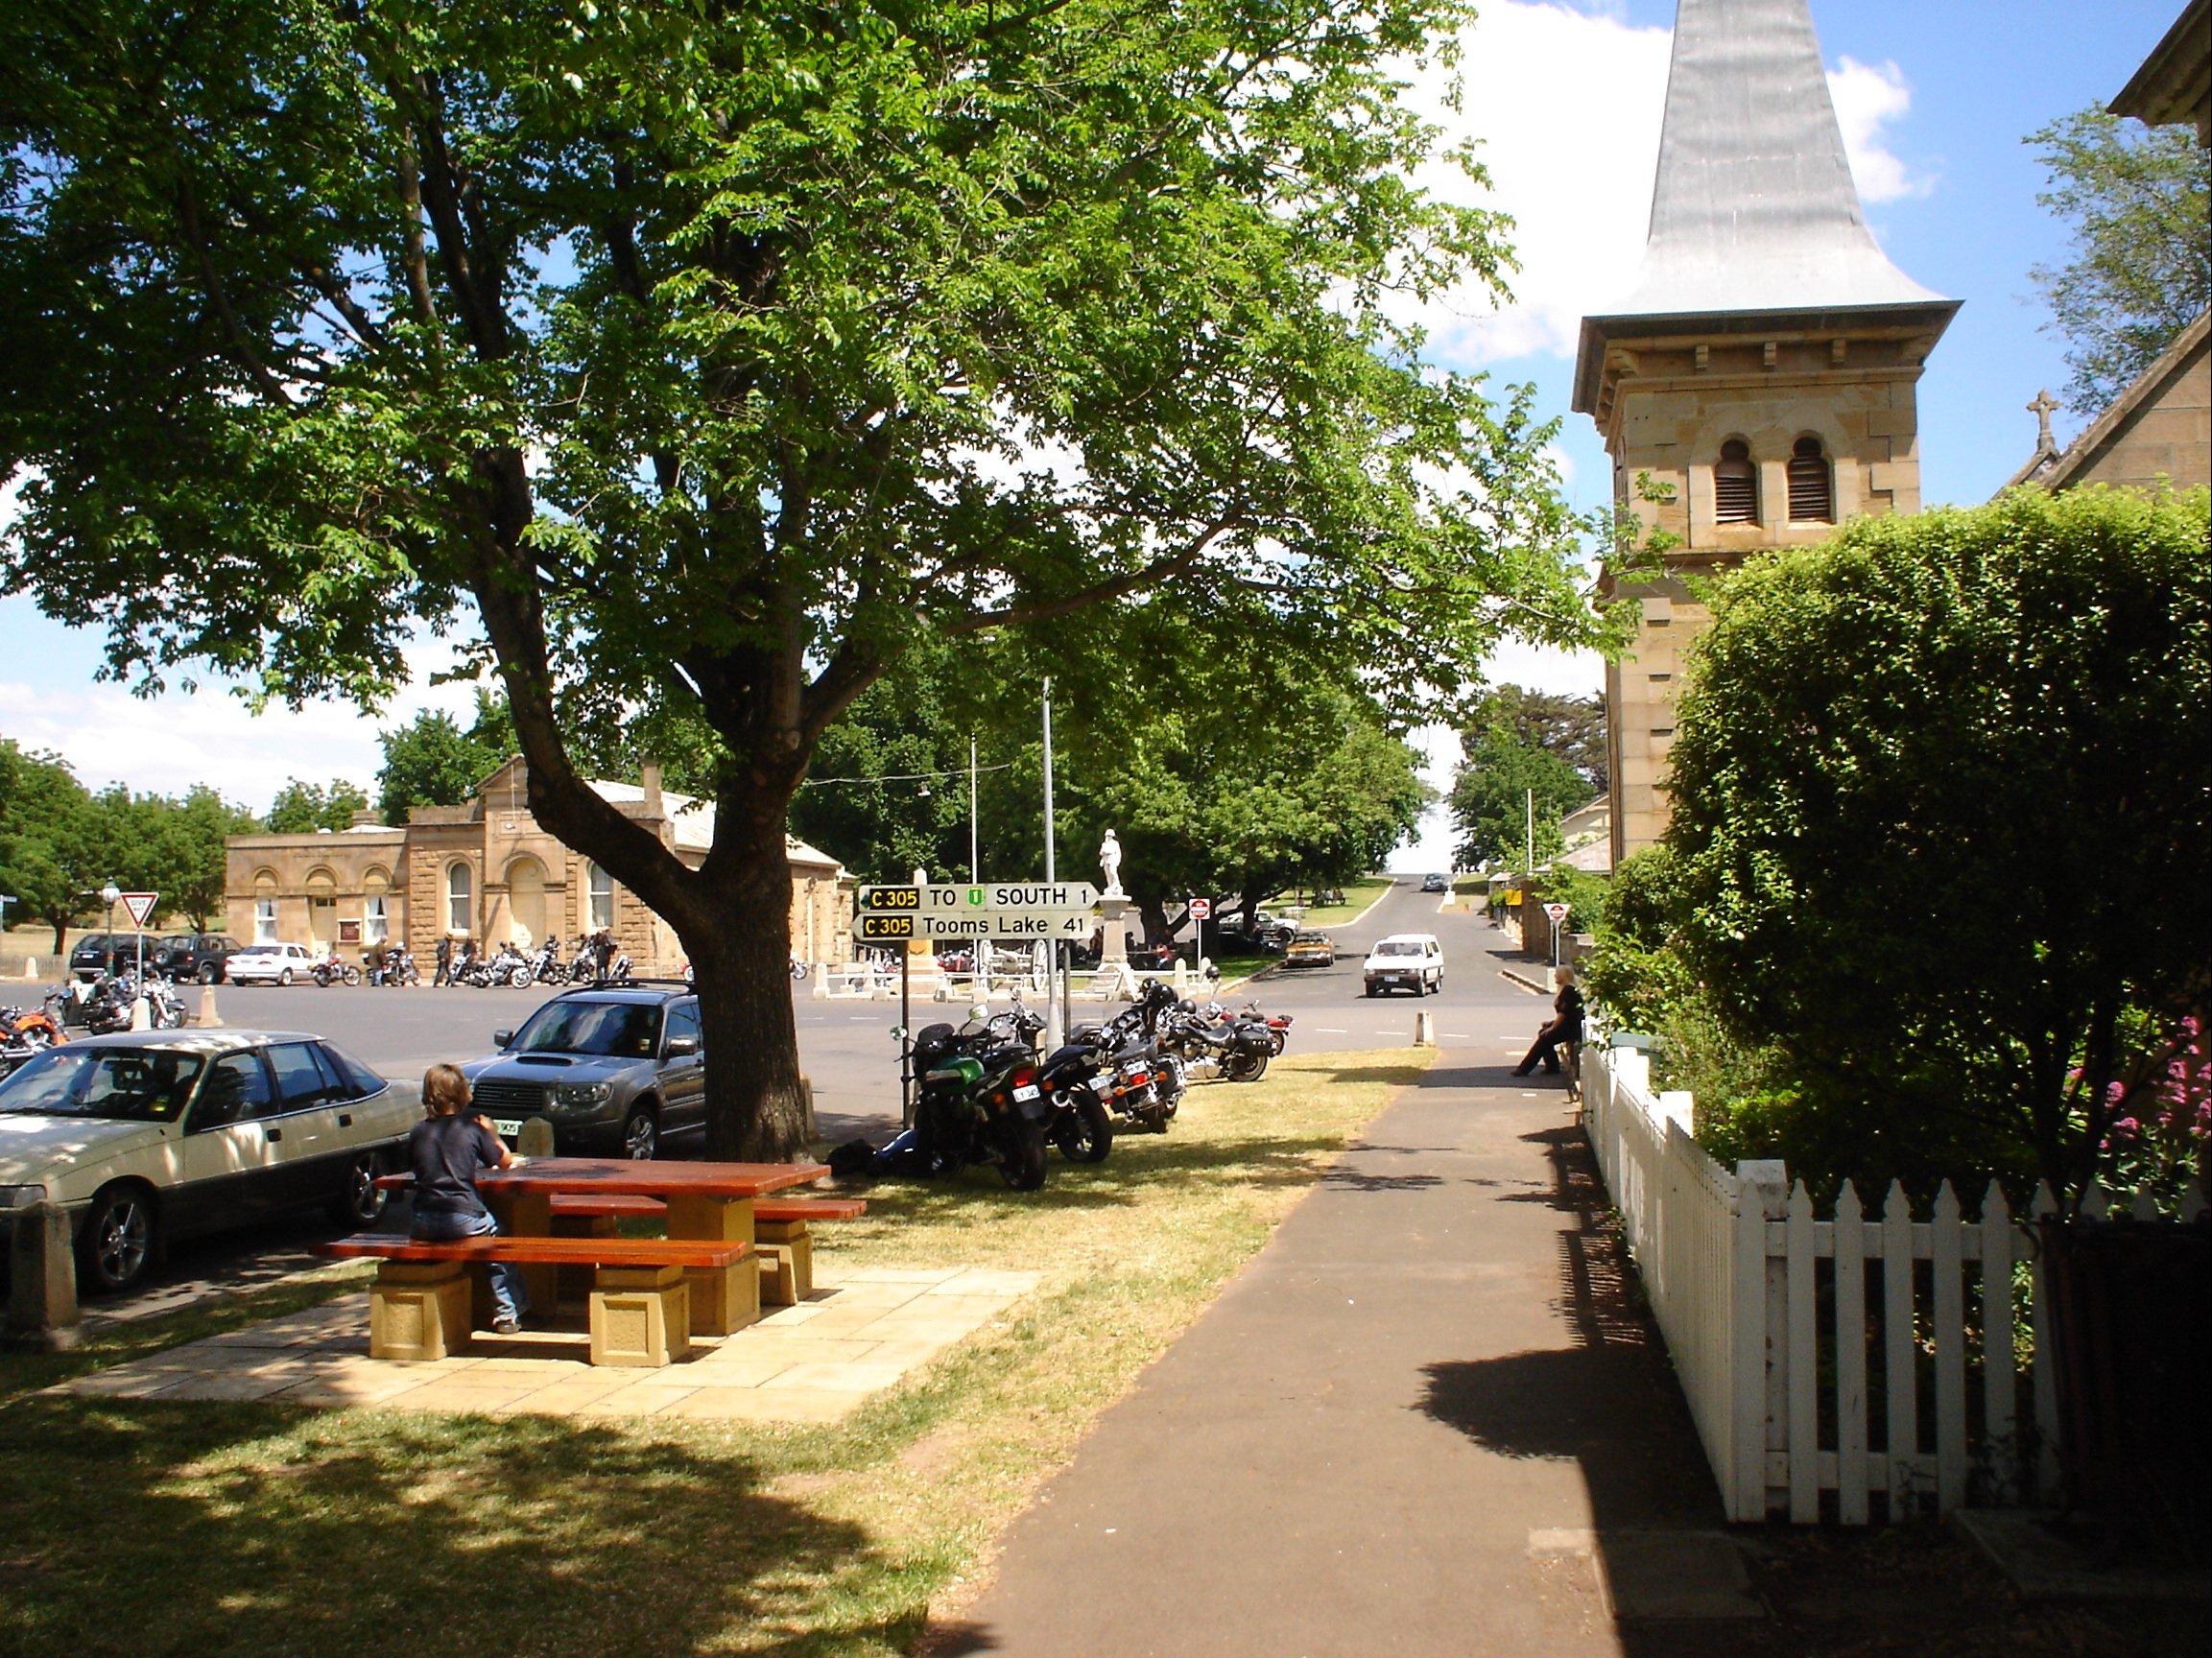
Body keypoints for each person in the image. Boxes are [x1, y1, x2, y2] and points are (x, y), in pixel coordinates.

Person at [408, 1062, 528, 1333]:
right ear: (461, 1092)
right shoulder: (471, 1129)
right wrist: (492, 1132)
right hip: (462, 1216)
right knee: (498, 1245)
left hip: (423, 1219)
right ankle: (508, 1313)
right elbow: (504, 1161)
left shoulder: (418, 1131)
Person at [1513, 967, 1585, 1078]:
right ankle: (1552, 1066)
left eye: (1557, 974)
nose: (1555, 976)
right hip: (1568, 1024)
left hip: (1571, 1028)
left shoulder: (1568, 991)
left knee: (1544, 1037)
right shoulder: (1566, 989)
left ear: (1564, 976)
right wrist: (1550, 1024)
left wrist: (1552, 1028)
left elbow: (1564, 1013)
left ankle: (1524, 1069)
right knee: (1543, 1032)